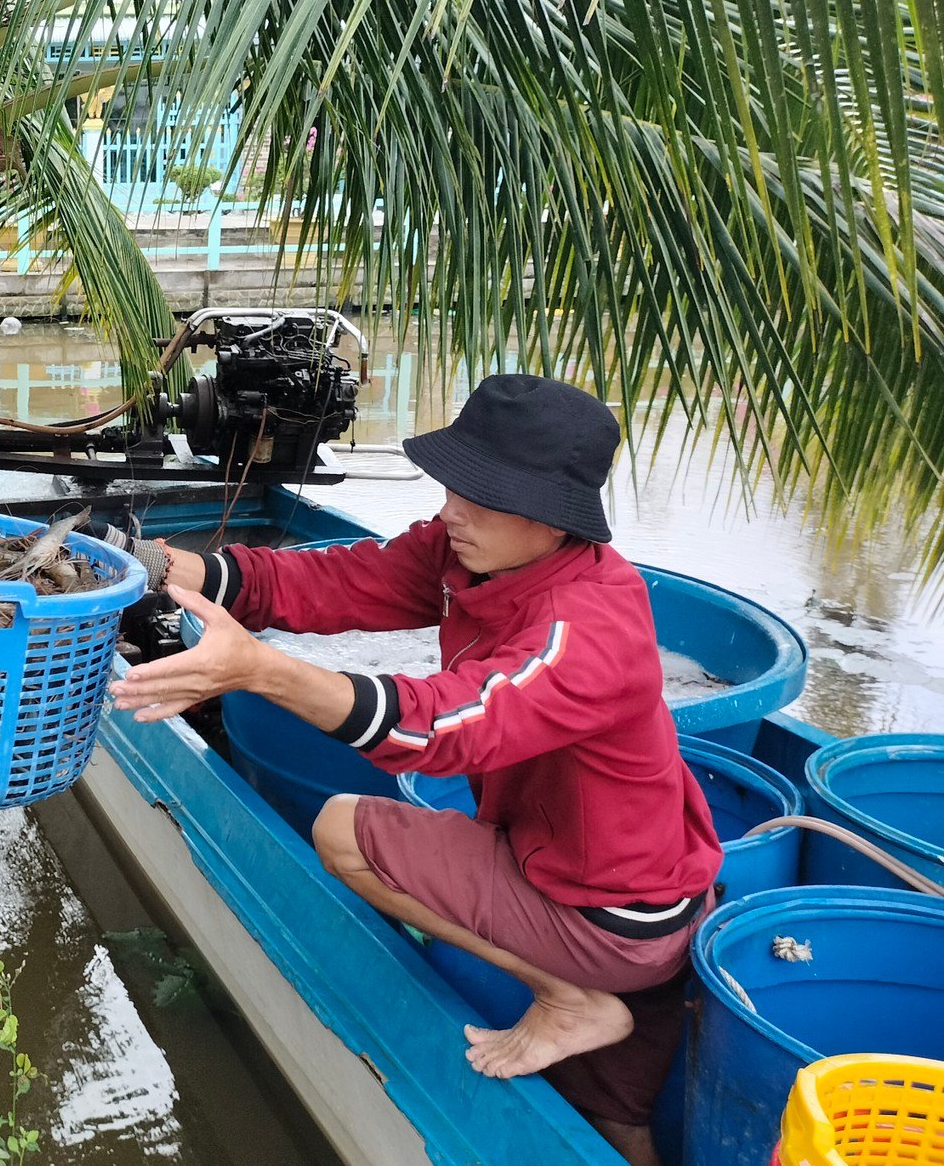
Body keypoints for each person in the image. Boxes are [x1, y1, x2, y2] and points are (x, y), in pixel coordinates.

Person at [111, 374, 722, 1166]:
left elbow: (444, 727)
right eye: (452, 485)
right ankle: (594, 1033)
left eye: (483, 495)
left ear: (555, 517)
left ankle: (569, 998)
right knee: (617, 1121)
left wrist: (260, 671)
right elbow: (332, 582)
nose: (451, 511)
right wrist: (162, 565)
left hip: (613, 917)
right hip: (598, 870)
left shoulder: (587, 625)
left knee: (340, 828)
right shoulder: (469, 555)